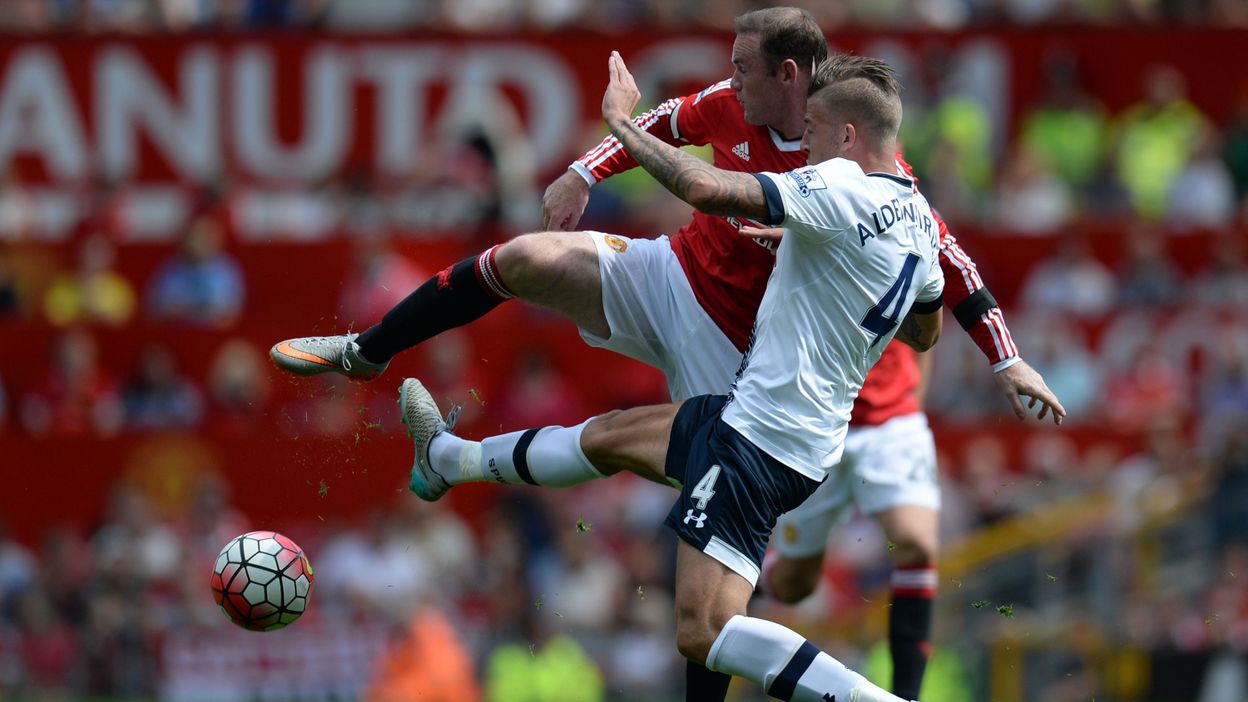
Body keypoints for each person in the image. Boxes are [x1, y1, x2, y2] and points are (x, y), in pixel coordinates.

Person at [270, 8, 1064, 698]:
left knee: (710, 607)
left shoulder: (847, 175)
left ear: (793, 78)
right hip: (678, 279)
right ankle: (374, 361)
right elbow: (677, 127)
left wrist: (1000, 355)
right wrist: (586, 168)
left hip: (747, 377)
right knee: (529, 266)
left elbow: (715, 187)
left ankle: (453, 459)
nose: (729, 81)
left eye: (743, 68)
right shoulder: (782, 135)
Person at [402, 51, 941, 702]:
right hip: (775, 428)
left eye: (820, 129)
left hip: (759, 438)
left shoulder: (838, 188)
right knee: (612, 437)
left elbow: (705, 189)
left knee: (704, 631)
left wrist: (624, 129)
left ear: (851, 135)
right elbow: (926, 330)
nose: (809, 144)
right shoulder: (919, 222)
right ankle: (448, 458)